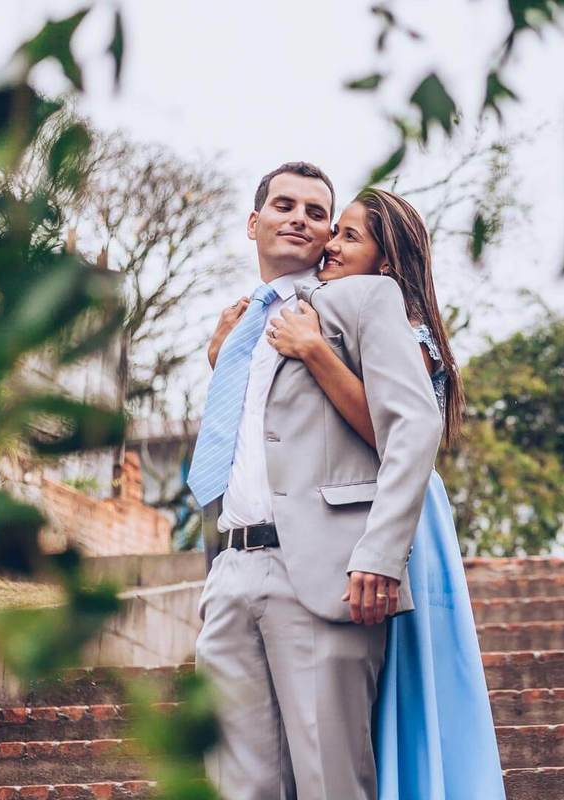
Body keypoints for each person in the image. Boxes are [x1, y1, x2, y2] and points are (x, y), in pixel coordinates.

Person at [211, 187, 506, 798]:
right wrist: (225, 361)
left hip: (384, 524)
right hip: (257, 554)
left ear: (388, 260)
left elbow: (398, 427)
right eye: (333, 230)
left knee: (360, 738)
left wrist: (317, 352)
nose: (329, 244)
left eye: (345, 233)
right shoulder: (273, 317)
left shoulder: (376, 310)